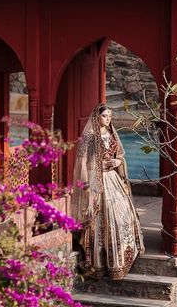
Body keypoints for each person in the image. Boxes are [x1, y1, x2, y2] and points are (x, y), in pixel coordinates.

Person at [72, 103, 144, 279]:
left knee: (123, 215)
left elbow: (119, 155)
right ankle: (100, 262)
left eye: (110, 116)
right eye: (105, 116)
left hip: (113, 179)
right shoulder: (89, 137)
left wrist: (118, 163)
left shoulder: (111, 133)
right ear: (97, 117)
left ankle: (120, 259)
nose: (108, 119)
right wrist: (96, 170)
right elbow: (81, 164)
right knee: (102, 219)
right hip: (98, 182)